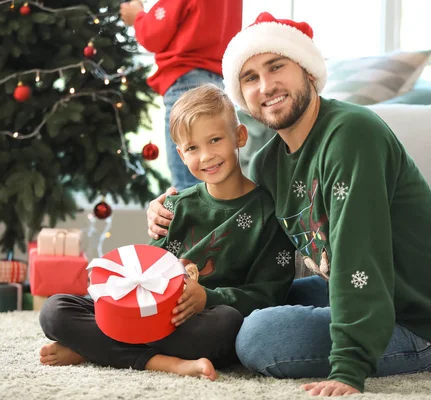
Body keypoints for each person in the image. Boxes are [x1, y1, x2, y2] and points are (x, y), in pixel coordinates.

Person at [145, 12, 431, 397]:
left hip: (420, 317)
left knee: (259, 336)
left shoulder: (352, 134)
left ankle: (361, 346)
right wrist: (169, 209)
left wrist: (349, 368)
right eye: (250, 77)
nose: (266, 85)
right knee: (266, 299)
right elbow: (238, 221)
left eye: (277, 67)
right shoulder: (268, 163)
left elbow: (361, 256)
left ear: (307, 71)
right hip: (367, 291)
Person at [38, 84, 296, 381]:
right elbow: (146, 273)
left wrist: (207, 297)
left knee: (225, 327)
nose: (207, 156)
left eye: (215, 140)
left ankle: (96, 348)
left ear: (239, 136)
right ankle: (165, 362)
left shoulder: (268, 213)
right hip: (151, 317)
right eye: (192, 148)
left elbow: (269, 296)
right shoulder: (174, 206)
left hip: (202, 322)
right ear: (180, 154)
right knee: (55, 310)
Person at [120, 0, 243, 191]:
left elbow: (152, 35)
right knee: (216, 184)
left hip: (184, 84)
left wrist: (137, 17)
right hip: (216, 82)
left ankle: (191, 221)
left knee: (188, 186)